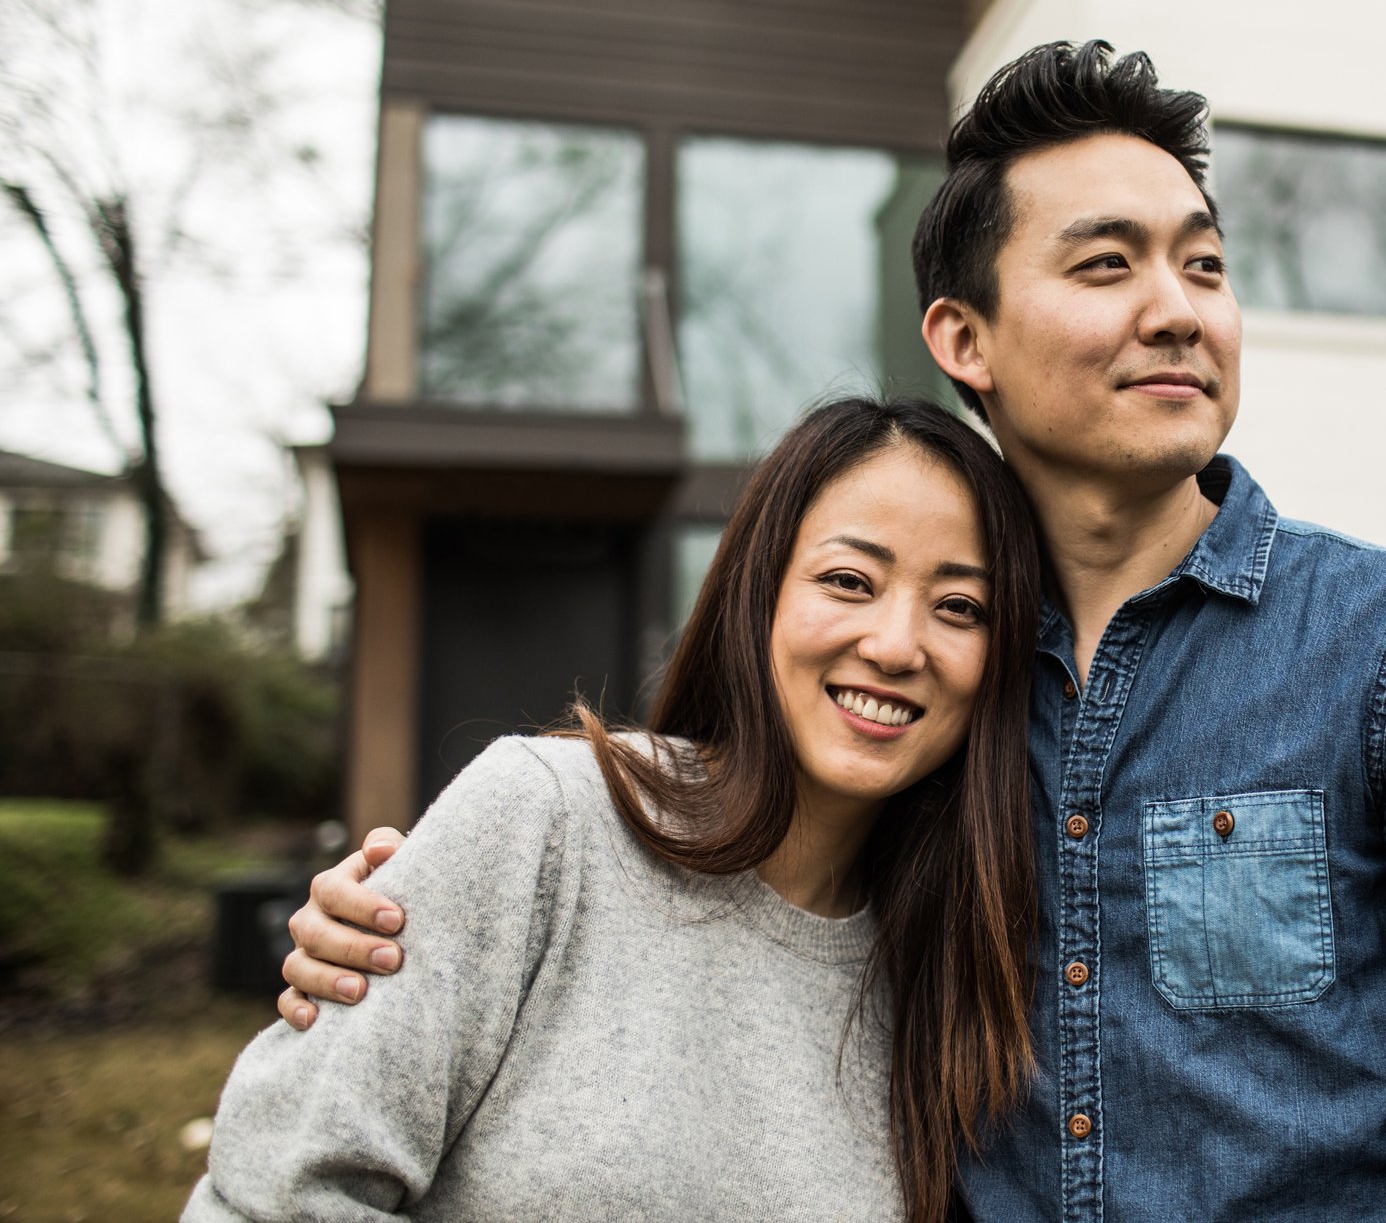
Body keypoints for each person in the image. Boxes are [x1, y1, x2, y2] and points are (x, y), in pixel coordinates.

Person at [283, 42, 1386, 1219]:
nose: (1176, 307)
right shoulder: (923, 694)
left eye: (1206, 265)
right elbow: (724, 893)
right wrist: (393, 935)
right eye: (1105, 264)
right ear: (963, 336)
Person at [190, 398, 1042, 1222]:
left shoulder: (954, 970)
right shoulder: (547, 821)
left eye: (960, 607)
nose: (896, 646)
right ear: (758, 596)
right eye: (849, 580)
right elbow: (275, 1195)